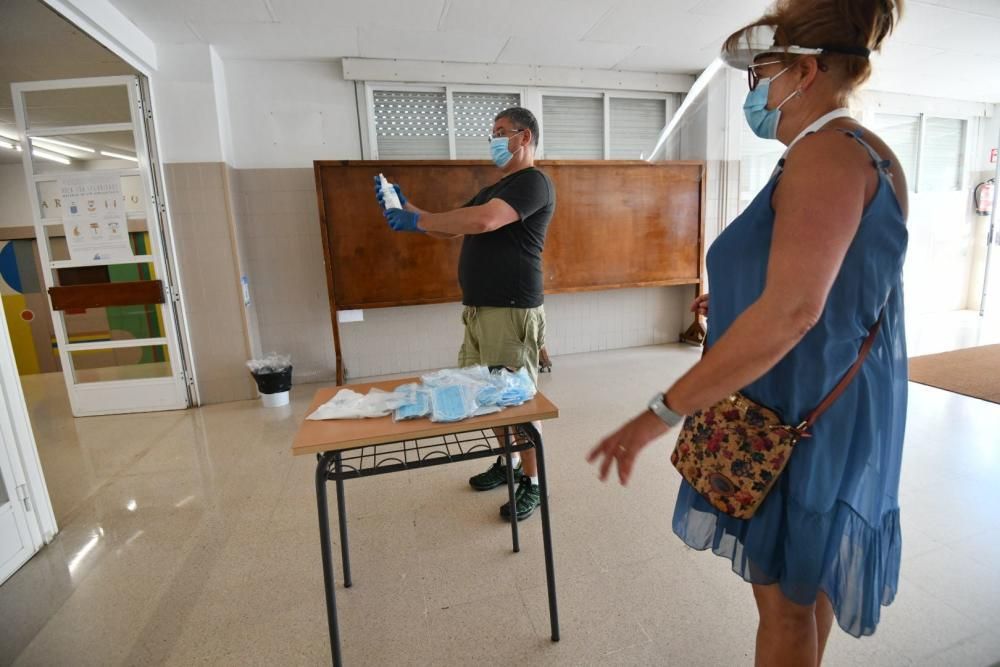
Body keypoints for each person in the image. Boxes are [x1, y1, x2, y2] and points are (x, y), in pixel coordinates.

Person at [588, 0, 908, 664]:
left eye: (760, 69)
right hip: (824, 406)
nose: (751, 87)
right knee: (802, 586)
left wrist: (658, 413)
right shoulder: (862, 152)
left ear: (807, 71)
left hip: (798, 414)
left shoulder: (826, 154)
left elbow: (795, 312)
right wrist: (738, 298)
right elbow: (842, 281)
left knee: (783, 610)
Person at [377, 107, 555, 522]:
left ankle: (534, 482)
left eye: (500, 132)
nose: (493, 140)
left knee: (517, 401)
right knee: (488, 395)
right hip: (479, 311)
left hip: (510, 310)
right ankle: (507, 462)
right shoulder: (498, 187)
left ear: (524, 137)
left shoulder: (533, 182)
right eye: (491, 133)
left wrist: (417, 217)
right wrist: (407, 207)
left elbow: (486, 220)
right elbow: (452, 227)